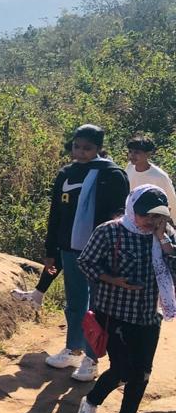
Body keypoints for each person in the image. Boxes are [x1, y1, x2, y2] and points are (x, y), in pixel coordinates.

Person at [76, 185, 176, 413]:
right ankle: (91, 402)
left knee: (142, 372)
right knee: (121, 369)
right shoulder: (110, 231)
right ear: (133, 209)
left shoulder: (166, 236)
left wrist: (164, 241)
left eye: (157, 216)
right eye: (146, 216)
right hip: (114, 312)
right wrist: (113, 280)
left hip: (147, 315)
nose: (151, 221)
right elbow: (85, 262)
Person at [43, 124, 129, 383]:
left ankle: (92, 360)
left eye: (87, 148)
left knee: (98, 305)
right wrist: (51, 250)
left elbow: (120, 217)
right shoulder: (66, 174)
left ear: (99, 148)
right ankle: (73, 349)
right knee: (75, 302)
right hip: (70, 247)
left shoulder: (112, 175)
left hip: (99, 249)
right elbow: (56, 214)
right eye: (76, 146)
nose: (80, 152)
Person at [127, 137, 176, 210]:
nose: (132, 155)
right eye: (130, 151)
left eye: (137, 152)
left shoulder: (159, 176)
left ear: (148, 154)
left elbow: (171, 202)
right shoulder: (129, 167)